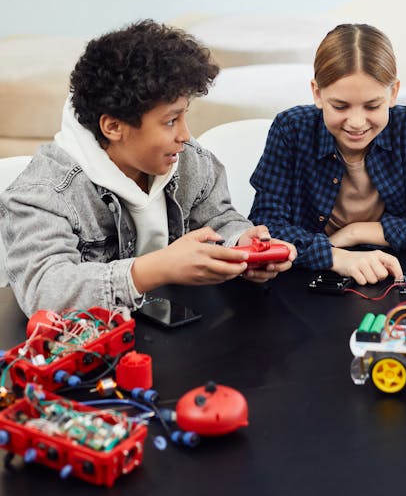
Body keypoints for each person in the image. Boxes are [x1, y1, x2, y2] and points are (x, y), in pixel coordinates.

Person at [0, 20, 295, 316]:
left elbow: (219, 218)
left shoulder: (188, 159)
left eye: (184, 116)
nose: (184, 135)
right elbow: (45, 291)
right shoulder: (42, 194)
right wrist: (156, 268)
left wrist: (242, 244)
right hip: (87, 350)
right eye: (170, 121)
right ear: (114, 126)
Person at [249, 23, 406, 284]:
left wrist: (357, 232)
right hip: (310, 278)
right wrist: (332, 255)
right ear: (317, 94)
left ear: (393, 93)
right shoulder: (291, 129)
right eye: (340, 106)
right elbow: (265, 226)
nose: (356, 122)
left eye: (372, 106)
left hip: (387, 272)